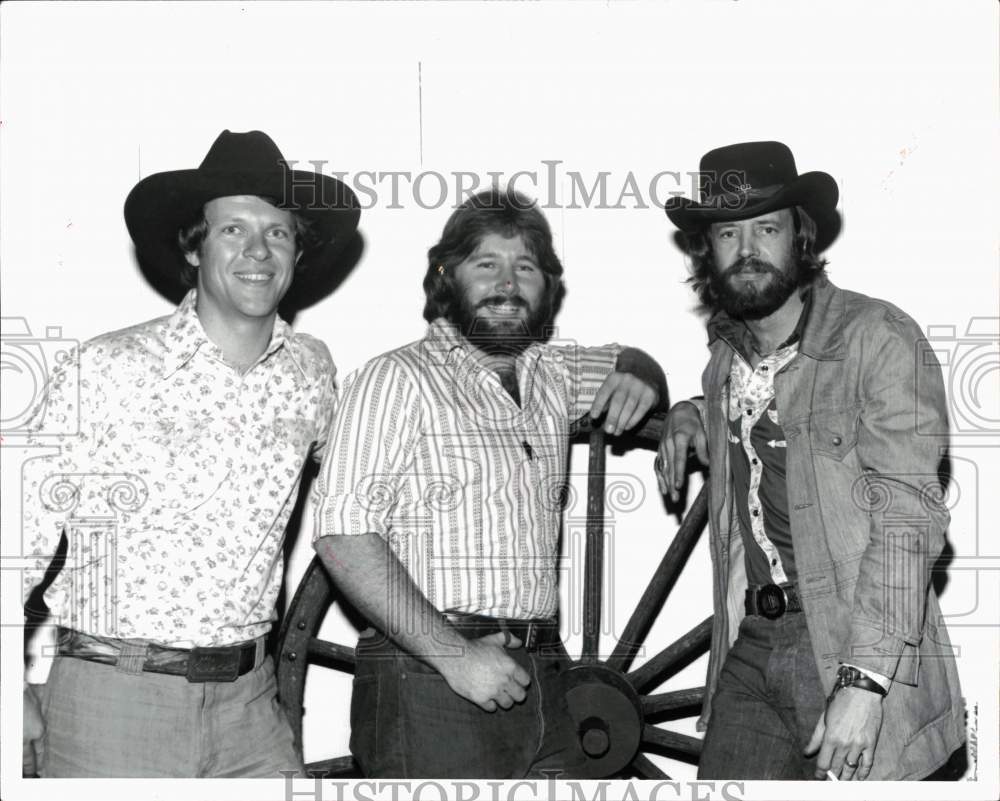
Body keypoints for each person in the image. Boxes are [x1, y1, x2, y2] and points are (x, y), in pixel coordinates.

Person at [20, 130, 359, 777]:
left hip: (252, 708)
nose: (258, 250)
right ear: (195, 245)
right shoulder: (106, 367)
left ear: (296, 252)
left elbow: (366, 483)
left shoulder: (311, 373)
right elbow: (15, 533)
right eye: (232, 230)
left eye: (278, 232)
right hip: (115, 701)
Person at [311, 187, 667, 779]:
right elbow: (343, 535)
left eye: (525, 267)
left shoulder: (551, 375)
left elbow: (633, 361)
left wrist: (652, 383)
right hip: (429, 675)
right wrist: (456, 656)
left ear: (547, 286)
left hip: (544, 678)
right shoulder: (396, 379)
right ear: (446, 276)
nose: (508, 284)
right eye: (487, 264)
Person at [655, 141, 965, 780]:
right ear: (706, 253)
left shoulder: (876, 337)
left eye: (766, 228)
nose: (747, 249)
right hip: (751, 638)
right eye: (727, 233)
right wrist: (689, 411)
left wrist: (865, 680)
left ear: (801, 236)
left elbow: (909, 518)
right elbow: (763, 415)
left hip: (853, 638)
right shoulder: (725, 365)